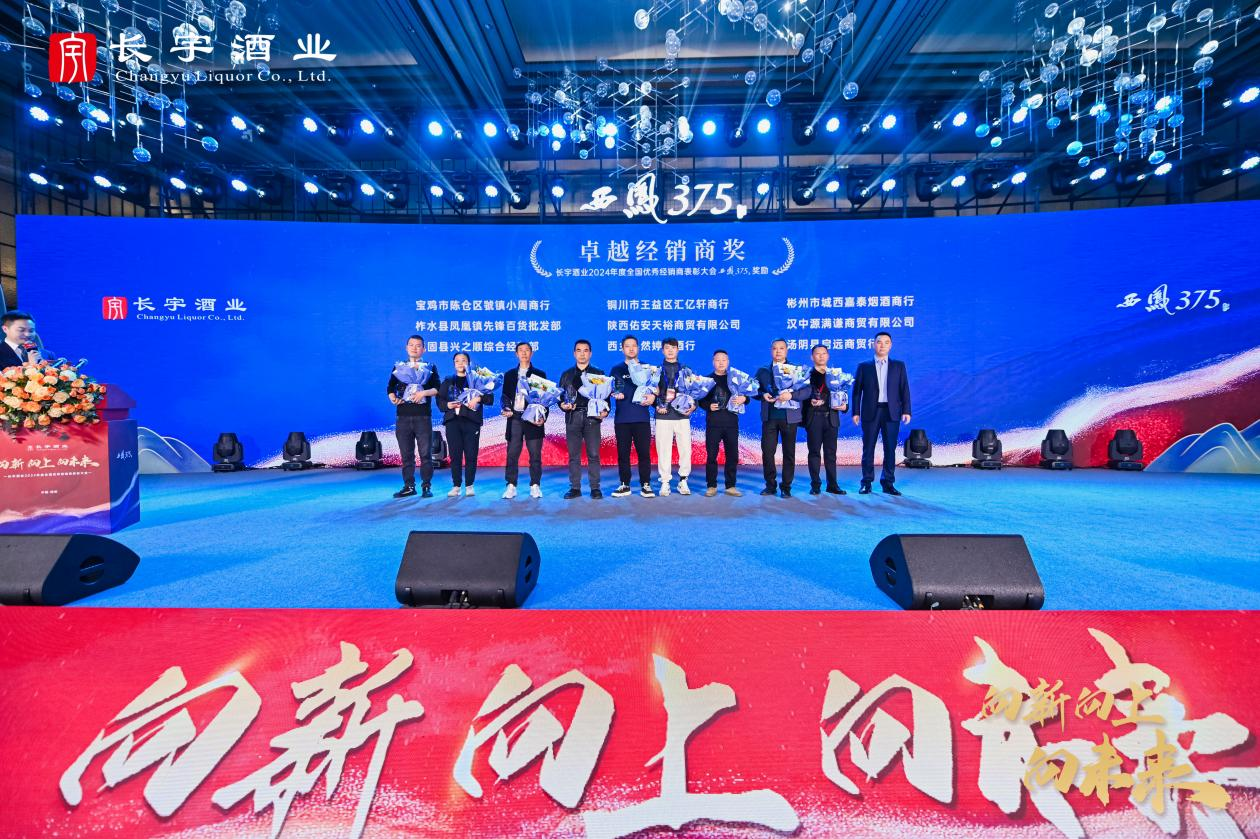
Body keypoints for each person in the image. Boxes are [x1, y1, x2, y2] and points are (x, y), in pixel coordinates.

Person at [851, 331, 912, 496]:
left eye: (886, 342)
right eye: (879, 342)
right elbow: (856, 392)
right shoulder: (864, 366)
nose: (882, 345)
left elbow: (904, 389)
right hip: (870, 412)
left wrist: (906, 410)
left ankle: (888, 483)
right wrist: (855, 412)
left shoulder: (899, 366)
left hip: (892, 412)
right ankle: (866, 482)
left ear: (890, 345)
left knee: (890, 448)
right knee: (868, 448)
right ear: (873, 344)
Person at [756, 339, 812, 497]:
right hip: (769, 418)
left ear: (787, 350)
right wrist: (762, 394)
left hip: (789, 418)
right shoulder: (763, 371)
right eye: (775, 348)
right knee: (767, 452)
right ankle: (770, 485)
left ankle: (786, 486)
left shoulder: (796, 370)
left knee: (789, 453)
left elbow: (807, 391)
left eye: (781, 348)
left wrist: (791, 395)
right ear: (771, 351)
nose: (778, 351)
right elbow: (754, 390)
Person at [387, 335, 440, 499]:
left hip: (422, 417)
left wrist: (424, 393)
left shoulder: (430, 367)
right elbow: (390, 387)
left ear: (424, 349)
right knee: (406, 455)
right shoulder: (399, 367)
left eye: (418, 346)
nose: (414, 348)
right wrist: (393, 398)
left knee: (425, 454)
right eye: (411, 345)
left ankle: (426, 486)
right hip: (403, 416)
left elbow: (437, 388)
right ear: (406, 348)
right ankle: (409, 486)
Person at [438, 351, 493, 497]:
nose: (460, 363)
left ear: (469, 363)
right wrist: (447, 405)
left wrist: (478, 399)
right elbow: (440, 400)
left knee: (471, 454)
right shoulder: (448, 380)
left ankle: (469, 485)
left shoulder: (477, 380)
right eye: (457, 361)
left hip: (471, 422)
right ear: (454, 364)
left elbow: (490, 398)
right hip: (452, 422)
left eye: (463, 360)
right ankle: (456, 486)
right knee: (455, 455)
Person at [608, 334, 656, 498]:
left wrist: (653, 397)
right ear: (622, 349)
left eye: (634, 346)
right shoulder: (616, 369)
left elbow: (655, 389)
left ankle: (646, 485)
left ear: (638, 348)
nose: (631, 349)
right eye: (627, 346)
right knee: (623, 454)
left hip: (641, 418)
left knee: (644, 453)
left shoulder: (647, 368)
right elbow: (612, 388)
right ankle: (625, 484)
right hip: (622, 419)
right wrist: (615, 393)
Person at [558, 339, 606, 499]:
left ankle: (595, 488)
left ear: (590, 353)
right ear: (574, 353)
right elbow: (560, 397)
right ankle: (575, 488)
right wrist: (563, 405)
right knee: (574, 455)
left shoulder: (598, 373)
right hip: (573, 417)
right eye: (579, 350)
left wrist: (605, 411)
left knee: (594, 454)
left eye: (585, 350)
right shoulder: (566, 375)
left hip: (592, 418)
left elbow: (605, 396)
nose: (582, 354)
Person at [499, 341, 546, 499]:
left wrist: (542, 417)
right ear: (516, 354)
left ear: (532, 353)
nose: (524, 353)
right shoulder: (510, 375)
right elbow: (505, 397)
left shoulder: (539, 374)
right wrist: (505, 408)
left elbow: (545, 399)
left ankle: (535, 485)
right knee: (512, 453)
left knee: (535, 454)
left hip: (533, 418)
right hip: (515, 418)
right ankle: (511, 485)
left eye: (527, 350)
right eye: (521, 350)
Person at [698, 349, 746, 497]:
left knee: (732, 455)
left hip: (731, 423)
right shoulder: (707, 380)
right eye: (718, 360)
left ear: (728, 362)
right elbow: (700, 400)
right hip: (714, 423)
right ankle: (711, 486)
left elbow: (747, 395)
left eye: (724, 360)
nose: (721, 363)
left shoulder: (735, 379)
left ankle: (730, 486)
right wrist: (708, 406)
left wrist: (744, 399)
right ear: (713, 362)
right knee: (712, 455)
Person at [803, 344, 847, 496]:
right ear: (812, 357)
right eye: (817, 353)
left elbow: (842, 394)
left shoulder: (835, 375)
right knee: (814, 452)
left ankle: (832, 485)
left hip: (831, 419)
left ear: (828, 356)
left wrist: (845, 406)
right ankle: (815, 485)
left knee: (831, 454)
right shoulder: (806, 375)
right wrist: (810, 401)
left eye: (824, 353)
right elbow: (800, 396)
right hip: (814, 418)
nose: (821, 356)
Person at [653, 337, 695, 496]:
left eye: (673, 347)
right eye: (667, 348)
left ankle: (683, 480)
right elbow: (650, 391)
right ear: (662, 350)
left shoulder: (686, 370)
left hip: (682, 416)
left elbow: (694, 390)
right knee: (663, 449)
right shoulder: (656, 370)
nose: (670, 351)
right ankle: (665, 482)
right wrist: (657, 405)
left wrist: (693, 406)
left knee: (685, 449)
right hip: (663, 416)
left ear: (678, 349)